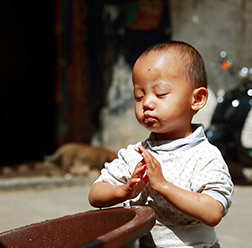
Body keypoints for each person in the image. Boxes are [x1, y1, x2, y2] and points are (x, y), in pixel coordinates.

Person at [88, 40, 233, 248]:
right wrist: (124, 191)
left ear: (197, 99)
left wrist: (163, 186)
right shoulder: (136, 154)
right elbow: (95, 195)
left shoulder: (204, 156)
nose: (147, 103)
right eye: (139, 96)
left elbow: (213, 212)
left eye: (160, 94)